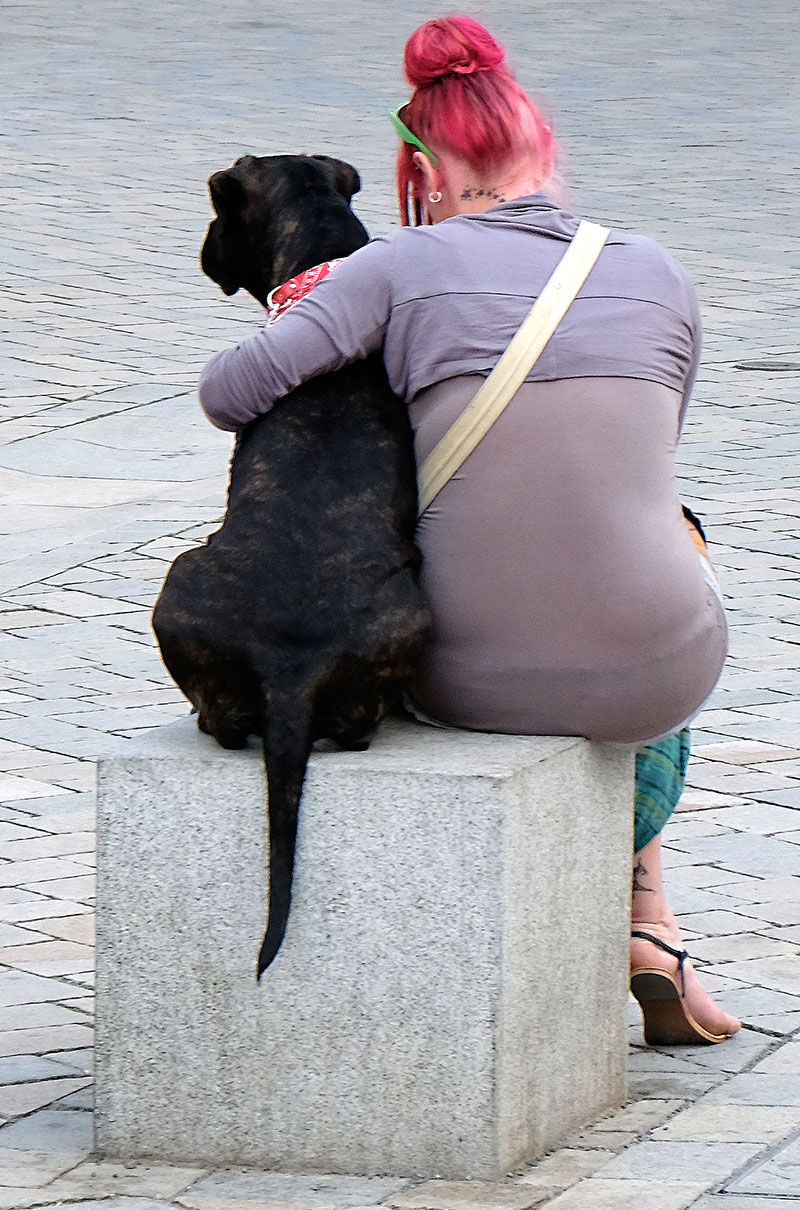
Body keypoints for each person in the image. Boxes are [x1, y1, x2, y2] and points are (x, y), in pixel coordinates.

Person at [199, 15, 740, 1045]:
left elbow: (228, 395)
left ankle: (637, 917)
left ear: (421, 170)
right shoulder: (658, 270)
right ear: (545, 153)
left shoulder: (390, 270)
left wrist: (311, 307)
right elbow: (642, 452)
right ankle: (644, 914)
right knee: (672, 543)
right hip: (656, 669)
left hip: (472, 676)